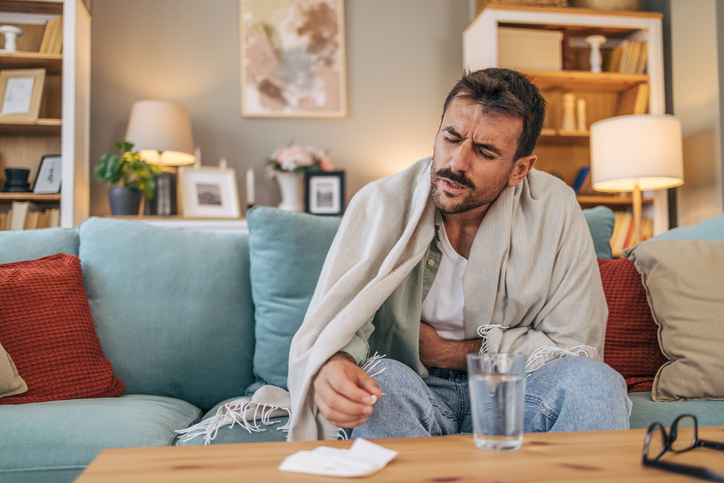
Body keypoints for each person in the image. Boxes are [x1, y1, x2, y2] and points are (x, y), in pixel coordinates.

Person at [286, 68, 631, 441]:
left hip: (517, 390)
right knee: (379, 386)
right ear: (438, 129)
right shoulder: (379, 203)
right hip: (416, 386)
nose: (456, 163)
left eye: (484, 152)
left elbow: (576, 344)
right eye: (451, 138)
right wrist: (334, 365)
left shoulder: (557, 206)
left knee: (597, 383)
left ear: (520, 169)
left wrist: (450, 352)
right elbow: (332, 328)